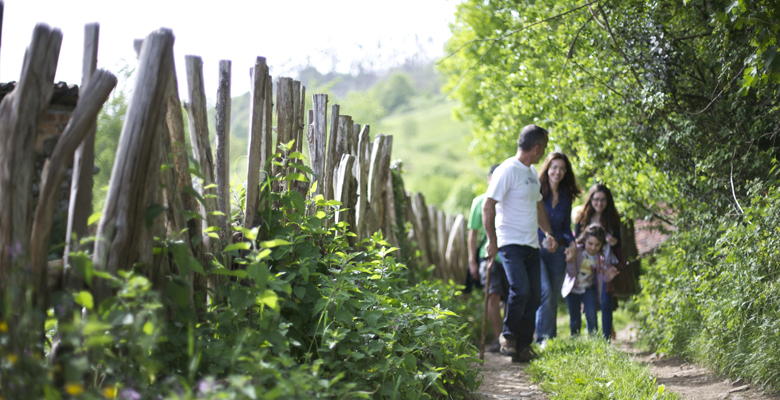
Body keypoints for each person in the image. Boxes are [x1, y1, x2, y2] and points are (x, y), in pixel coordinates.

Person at [483, 124, 557, 363]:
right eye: (543, 147)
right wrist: (492, 241)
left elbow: (538, 206)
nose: (543, 152)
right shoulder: (507, 170)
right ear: (536, 148)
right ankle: (508, 336)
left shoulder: (531, 173)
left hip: (531, 244)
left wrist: (548, 233)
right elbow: (488, 205)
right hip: (510, 242)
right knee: (520, 290)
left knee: (535, 296)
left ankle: (523, 346)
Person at [534, 152, 580, 345]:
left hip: (558, 251)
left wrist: (572, 243)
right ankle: (541, 339)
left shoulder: (566, 195)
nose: (558, 172)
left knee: (553, 294)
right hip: (536, 247)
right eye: (554, 167)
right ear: (547, 168)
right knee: (544, 292)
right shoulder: (537, 190)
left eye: (562, 168)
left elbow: (565, 228)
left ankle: (549, 339)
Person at [573, 183, 623, 340]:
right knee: (589, 303)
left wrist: (612, 241)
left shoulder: (613, 219)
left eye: (603, 200)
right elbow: (576, 242)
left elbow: (619, 244)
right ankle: (593, 338)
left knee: (606, 301)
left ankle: (607, 339)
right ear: (591, 200)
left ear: (608, 201)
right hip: (586, 265)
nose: (599, 203)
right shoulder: (582, 218)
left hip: (606, 265)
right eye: (596, 199)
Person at [467, 164, 508, 352]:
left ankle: (509, 336)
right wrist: (472, 261)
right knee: (492, 296)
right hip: (488, 256)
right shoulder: (479, 201)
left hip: (509, 255)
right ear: (489, 179)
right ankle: (499, 337)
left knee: (510, 299)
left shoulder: (509, 200)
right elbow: (473, 234)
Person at [562, 224, 618, 336]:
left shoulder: (600, 258)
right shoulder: (577, 251)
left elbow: (602, 275)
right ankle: (575, 339)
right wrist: (568, 260)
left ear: (601, 245)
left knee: (591, 314)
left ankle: (594, 340)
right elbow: (569, 271)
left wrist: (608, 276)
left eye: (597, 245)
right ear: (585, 240)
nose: (593, 247)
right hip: (573, 289)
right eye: (590, 244)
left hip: (589, 288)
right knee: (575, 317)